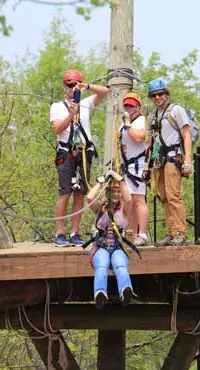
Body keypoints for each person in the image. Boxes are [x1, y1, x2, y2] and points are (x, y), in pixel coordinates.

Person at [50, 69, 109, 246]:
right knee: (65, 193)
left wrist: (87, 87)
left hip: (83, 152)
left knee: (80, 194)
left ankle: (75, 232)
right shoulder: (57, 106)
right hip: (66, 153)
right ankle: (59, 233)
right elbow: (58, 129)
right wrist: (71, 114)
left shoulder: (86, 103)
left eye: (74, 85)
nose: (71, 89)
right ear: (64, 86)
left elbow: (105, 92)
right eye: (69, 85)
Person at [146, 78, 194, 246]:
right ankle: (172, 232)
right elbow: (151, 143)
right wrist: (147, 165)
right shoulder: (153, 115)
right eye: (154, 95)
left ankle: (180, 232)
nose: (158, 97)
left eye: (161, 94)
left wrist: (188, 159)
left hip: (174, 156)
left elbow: (186, 134)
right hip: (159, 159)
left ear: (166, 93)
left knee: (173, 195)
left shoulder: (176, 110)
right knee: (164, 197)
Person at [85, 170, 137, 308]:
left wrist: (120, 180)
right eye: (112, 192)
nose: (115, 195)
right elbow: (89, 198)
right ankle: (100, 293)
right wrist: (100, 182)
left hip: (117, 247)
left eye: (118, 192)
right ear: (107, 193)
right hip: (101, 247)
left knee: (120, 264)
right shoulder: (100, 209)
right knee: (101, 265)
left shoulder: (124, 210)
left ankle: (126, 290)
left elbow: (129, 198)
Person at [118, 92, 150, 246]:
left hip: (137, 165)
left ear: (137, 106)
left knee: (138, 200)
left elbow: (138, 138)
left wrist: (128, 124)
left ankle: (142, 233)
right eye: (126, 105)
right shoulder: (123, 123)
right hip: (125, 166)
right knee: (127, 200)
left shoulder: (141, 121)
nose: (129, 108)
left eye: (131, 105)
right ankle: (130, 232)